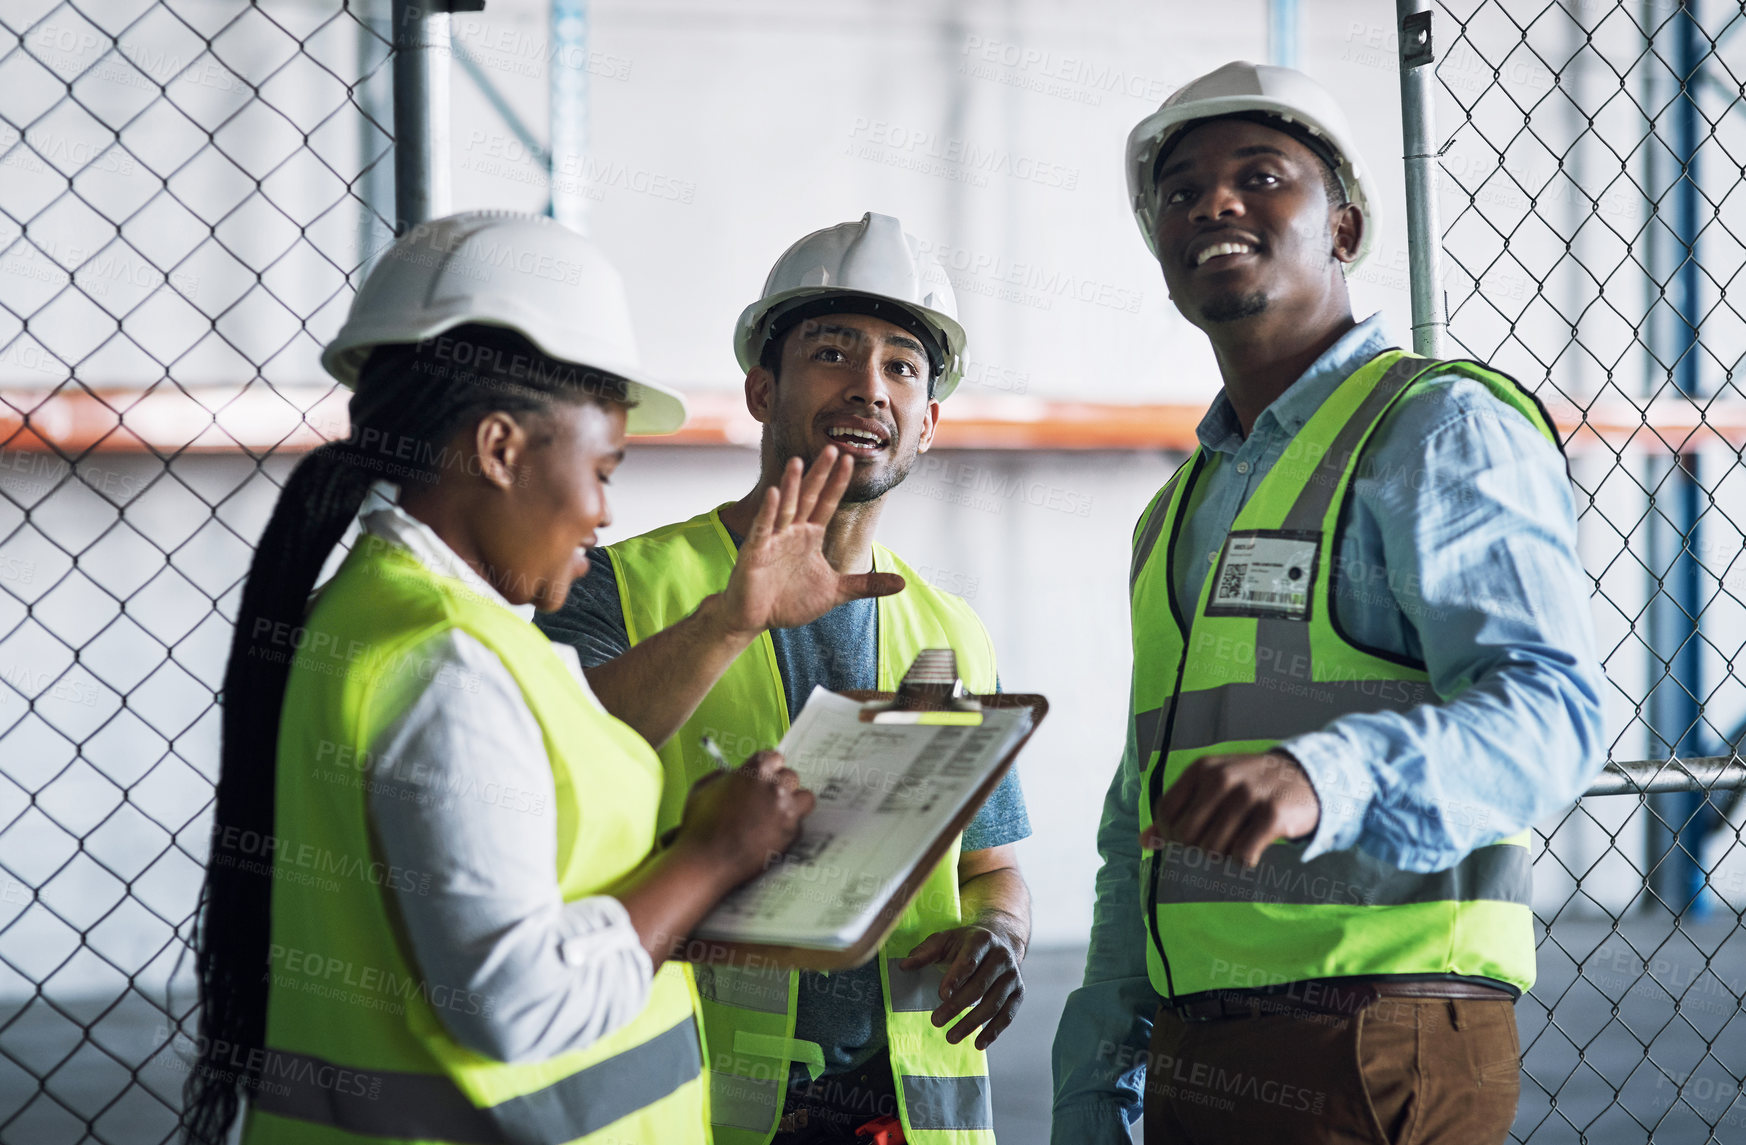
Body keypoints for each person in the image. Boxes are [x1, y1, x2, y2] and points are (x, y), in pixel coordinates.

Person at [186, 211, 848, 1145]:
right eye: (603, 468)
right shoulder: (444, 661)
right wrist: (706, 858)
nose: (602, 512)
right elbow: (516, 1005)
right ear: (499, 449)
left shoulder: (393, 616)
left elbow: (559, 754)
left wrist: (730, 620)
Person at [1050, 62, 1606, 1145]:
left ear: (1342, 227)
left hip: (1376, 1030)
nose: (1213, 203)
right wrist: (1098, 1071)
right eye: (1180, 192)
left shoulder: (1434, 430)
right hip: (1197, 1044)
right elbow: (1142, 815)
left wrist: (1327, 773)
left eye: (1263, 176)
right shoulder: (1180, 508)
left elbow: (1554, 715)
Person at [538, 212, 1033, 1145]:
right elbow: (556, 768)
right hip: (695, 1107)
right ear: (762, 389)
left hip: (904, 1119)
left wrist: (1000, 934)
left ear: (928, 423)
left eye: (902, 366)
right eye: (833, 353)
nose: (868, 386)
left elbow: (993, 869)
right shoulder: (617, 585)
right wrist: (731, 620)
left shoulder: (952, 631)